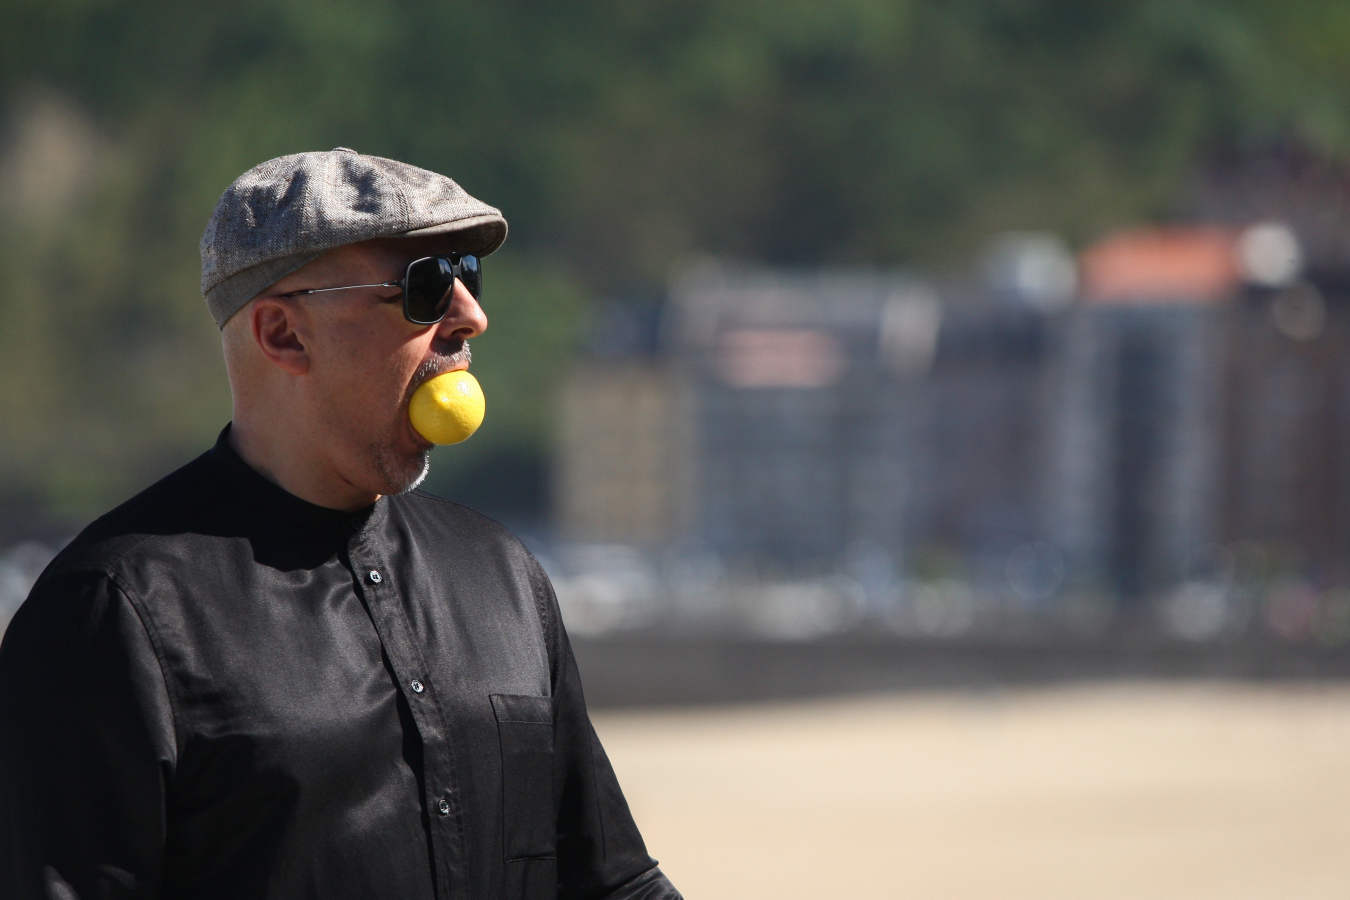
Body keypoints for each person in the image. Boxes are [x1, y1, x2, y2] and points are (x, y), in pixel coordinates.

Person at [0, 148, 681, 900]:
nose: (471, 317)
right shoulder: (114, 610)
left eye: (467, 276)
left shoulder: (503, 573)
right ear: (284, 336)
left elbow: (612, 884)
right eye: (426, 287)